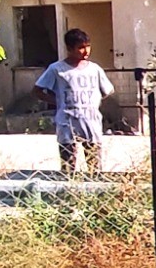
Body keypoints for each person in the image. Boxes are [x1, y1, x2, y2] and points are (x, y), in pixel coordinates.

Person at [33, 28, 113, 174]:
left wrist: (94, 101)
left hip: (91, 121)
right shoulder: (57, 69)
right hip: (67, 122)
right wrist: (58, 101)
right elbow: (38, 90)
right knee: (68, 166)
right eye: (81, 47)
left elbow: (107, 90)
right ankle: (68, 191)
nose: (86, 51)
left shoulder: (94, 69)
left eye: (88, 46)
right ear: (70, 49)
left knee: (94, 165)